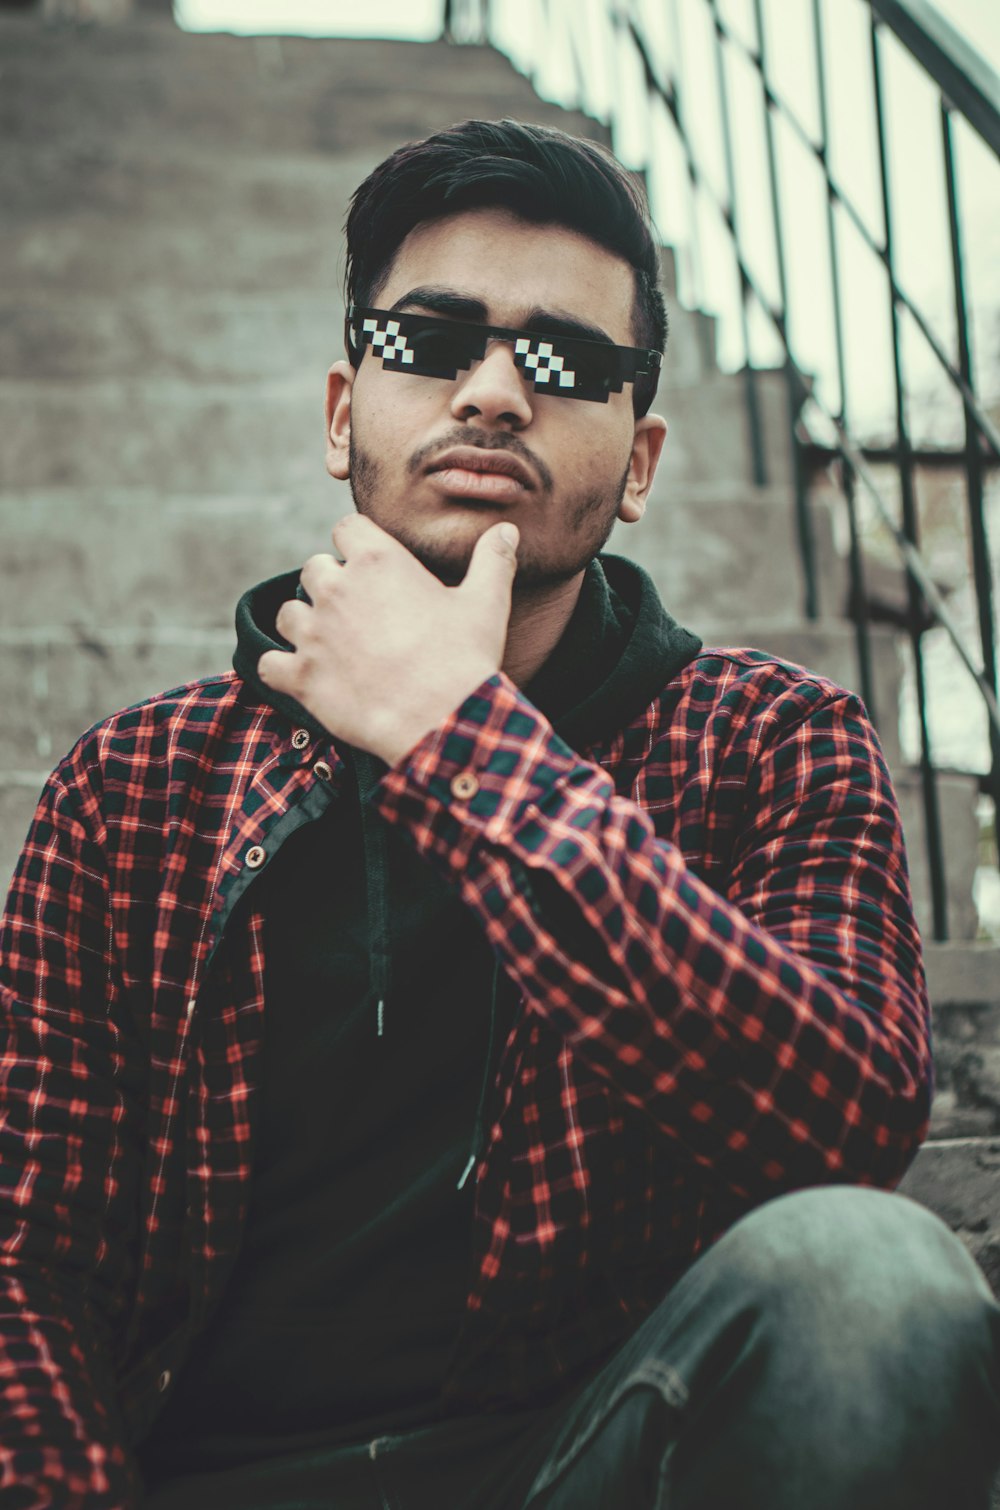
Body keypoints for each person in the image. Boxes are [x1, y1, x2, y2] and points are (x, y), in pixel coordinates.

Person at [1, 117, 997, 1510]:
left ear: (640, 462)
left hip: (580, 1459)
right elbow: (28, 1266)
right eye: (432, 339)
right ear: (343, 410)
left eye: (565, 363)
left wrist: (456, 740)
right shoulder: (133, 793)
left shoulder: (774, 739)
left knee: (876, 1277)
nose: (492, 394)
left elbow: (841, 1113)